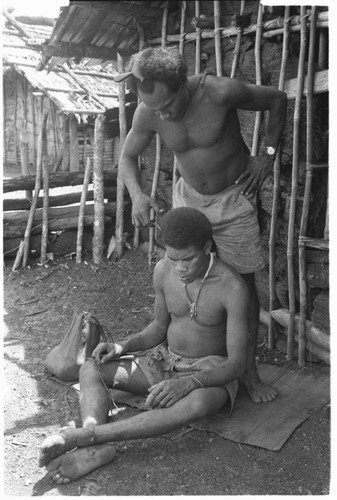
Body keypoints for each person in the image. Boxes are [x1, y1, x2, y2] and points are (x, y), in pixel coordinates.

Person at [115, 46, 287, 404]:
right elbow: (128, 157)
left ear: (184, 87)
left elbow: (277, 99)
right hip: (189, 198)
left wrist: (267, 156)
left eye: (169, 106)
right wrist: (137, 194)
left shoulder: (220, 91)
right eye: (156, 109)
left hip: (233, 198)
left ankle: (249, 374)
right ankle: (188, 362)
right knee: (187, 276)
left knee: (243, 284)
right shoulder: (149, 112)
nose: (163, 114)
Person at [39, 207, 250, 483]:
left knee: (194, 407)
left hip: (208, 374)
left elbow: (236, 365)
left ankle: (85, 436)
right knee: (91, 368)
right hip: (164, 361)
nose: (180, 268)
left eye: (187, 259)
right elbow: (160, 327)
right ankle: (96, 447)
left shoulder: (232, 287)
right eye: (173, 258)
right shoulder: (164, 271)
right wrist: (123, 346)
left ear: (207, 247)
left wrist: (188, 383)